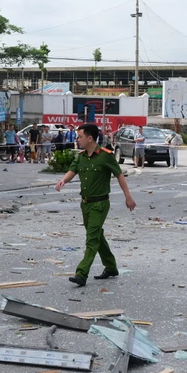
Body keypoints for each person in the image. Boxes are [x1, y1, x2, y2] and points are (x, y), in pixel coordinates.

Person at [55, 123, 136, 287]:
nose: (78, 140)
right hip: (85, 204)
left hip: (100, 204)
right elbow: (73, 170)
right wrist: (63, 180)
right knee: (97, 236)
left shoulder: (105, 156)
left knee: (91, 239)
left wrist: (128, 197)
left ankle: (81, 273)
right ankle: (111, 267)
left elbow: (119, 175)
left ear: (89, 138)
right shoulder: (82, 156)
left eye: (80, 137)